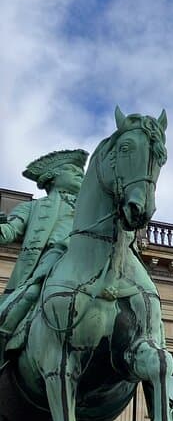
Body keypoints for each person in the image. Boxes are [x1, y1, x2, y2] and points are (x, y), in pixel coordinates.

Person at [0, 149, 88, 356]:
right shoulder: (32, 207)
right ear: (52, 177)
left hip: (90, 262)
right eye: (72, 170)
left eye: (81, 172)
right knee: (23, 299)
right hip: (50, 263)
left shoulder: (95, 208)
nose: (80, 175)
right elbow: (9, 232)